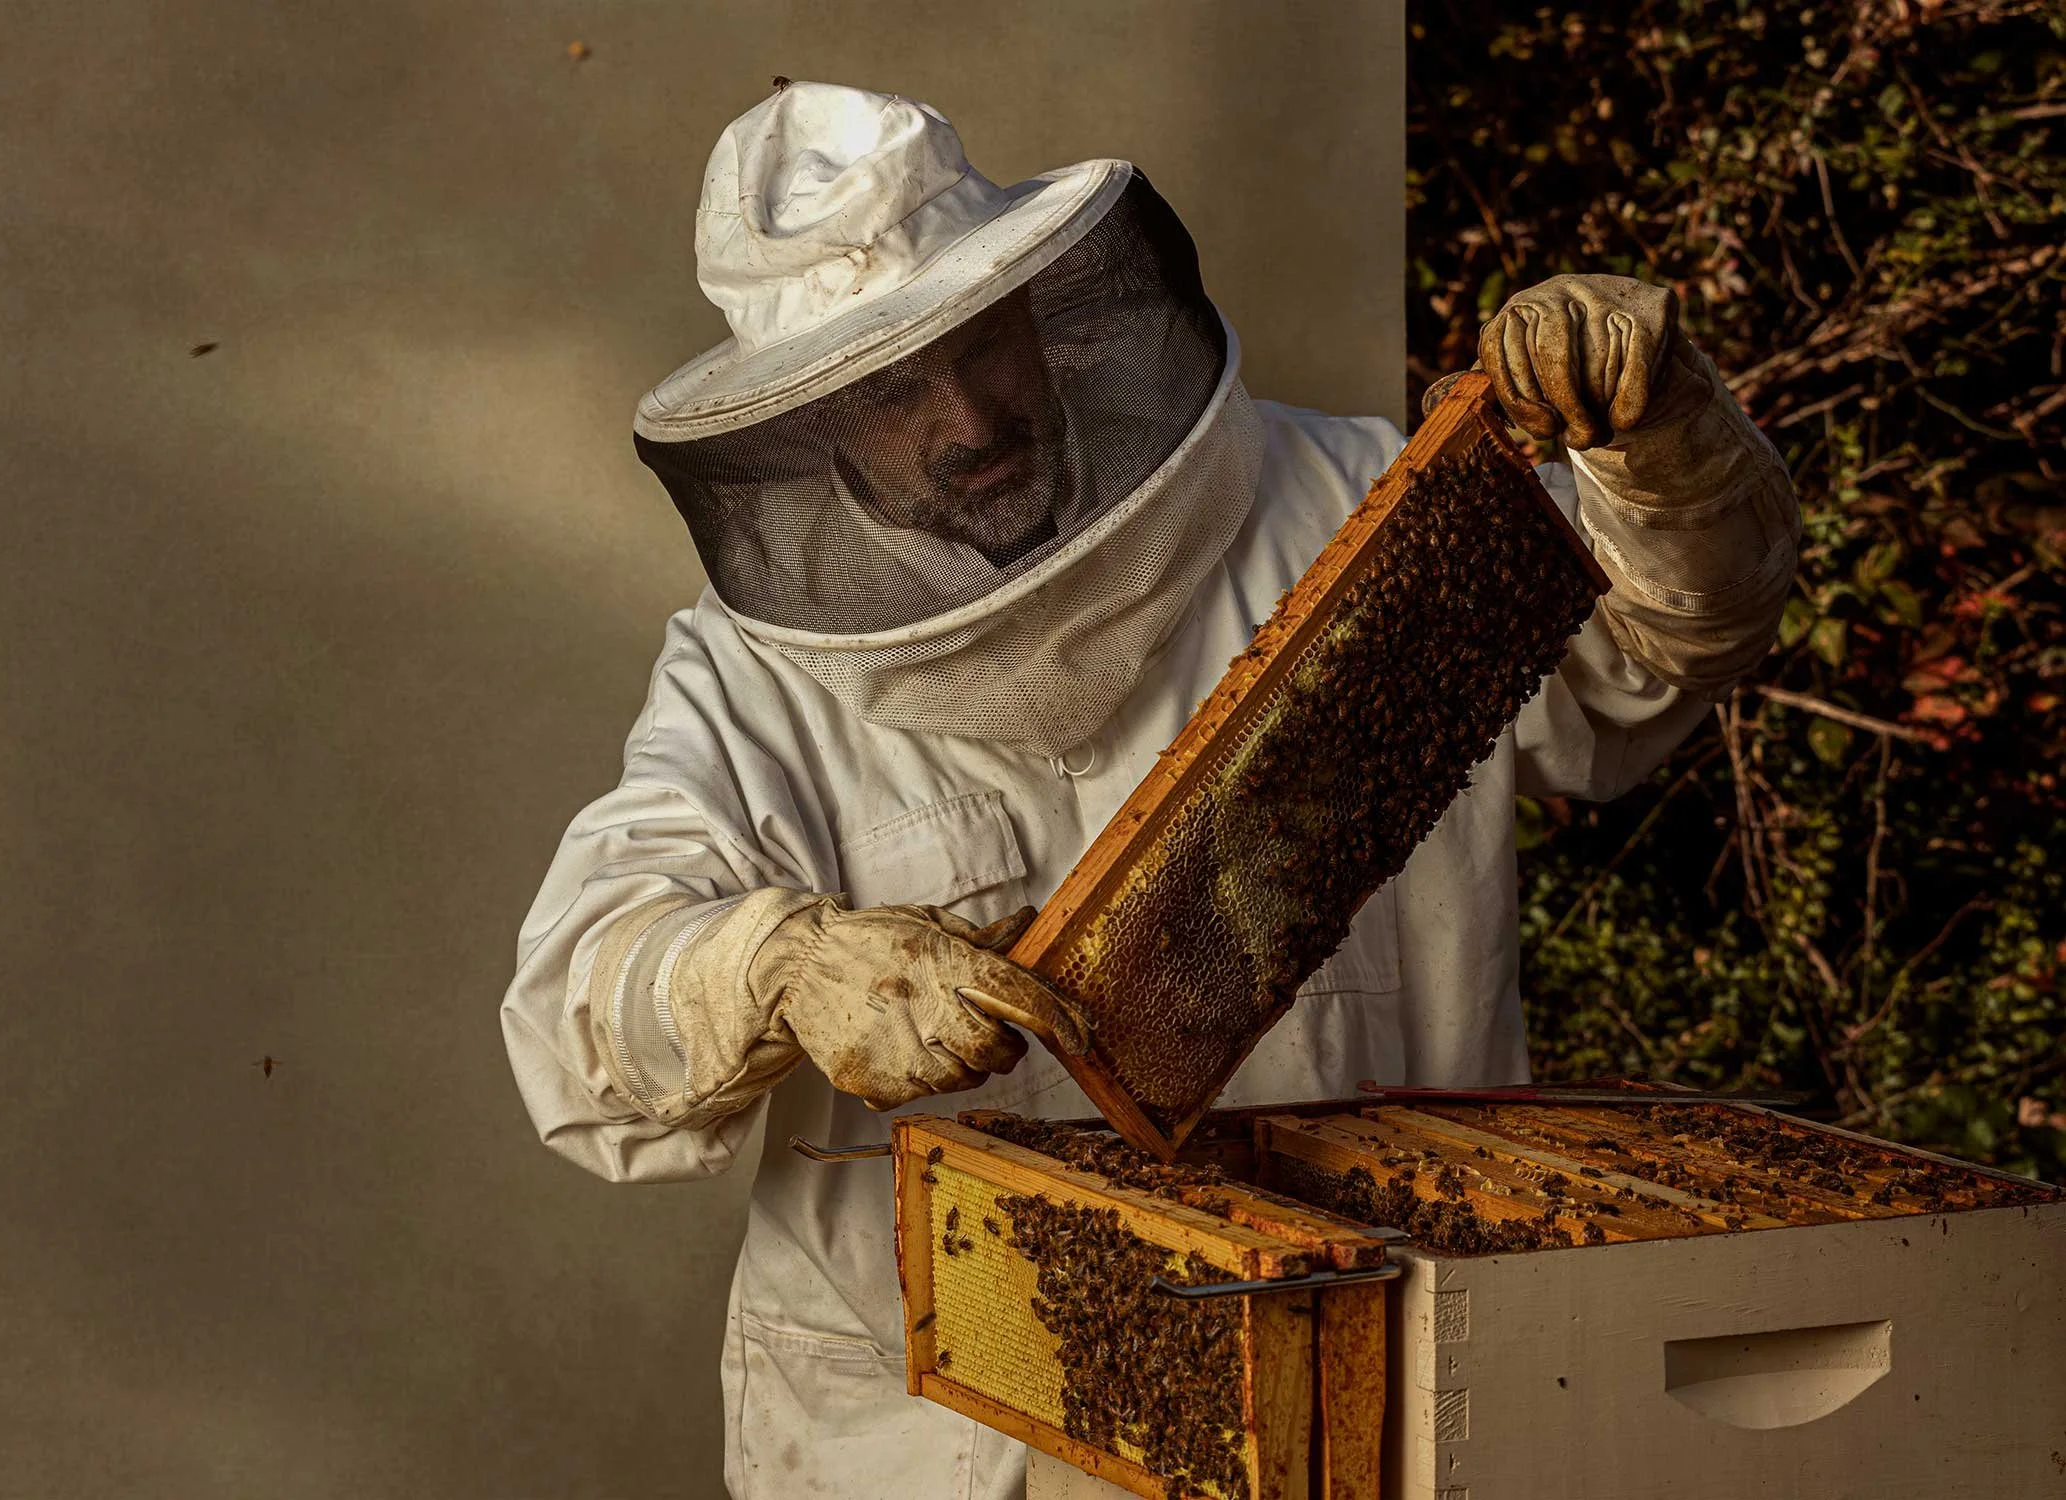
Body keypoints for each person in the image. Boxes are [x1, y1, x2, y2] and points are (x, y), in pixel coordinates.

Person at [501, 82, 1797, 1499]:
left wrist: (1660, 450)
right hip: (944, 1455)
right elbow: (576, 1020)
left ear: (1043, 315)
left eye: (982, 342)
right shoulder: (747, 678)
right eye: (886, 388)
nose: (969, 418)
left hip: (1376, 1382)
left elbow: (1656, 658)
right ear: (805, 425)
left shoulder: (1341, 503)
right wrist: (770, 966)